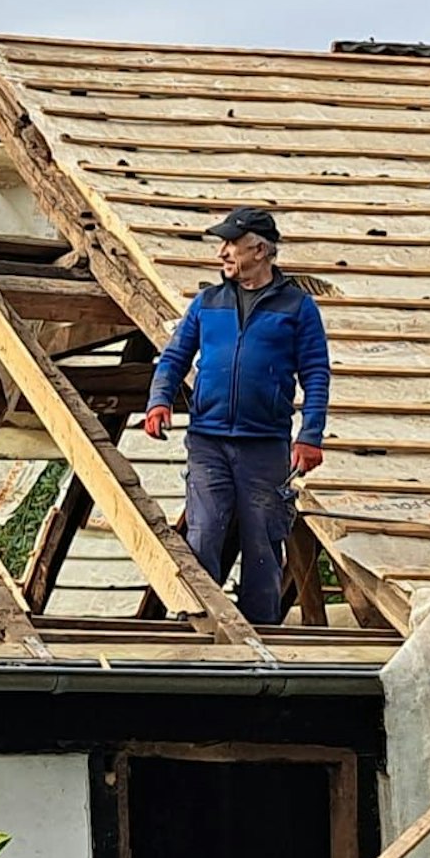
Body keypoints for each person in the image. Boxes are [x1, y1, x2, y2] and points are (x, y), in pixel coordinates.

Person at [141, 206, 330, 626]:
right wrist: (159, 400)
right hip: (208, 439)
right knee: (204, 532)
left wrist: (310, 435)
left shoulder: (297, 308)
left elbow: (316, 373)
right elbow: (174, 357)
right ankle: (200, 625)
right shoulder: (208, 302)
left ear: (260, 250)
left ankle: (259, 635)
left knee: (262, 542)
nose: (222, 253)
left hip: (264, 445)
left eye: (231, 244)